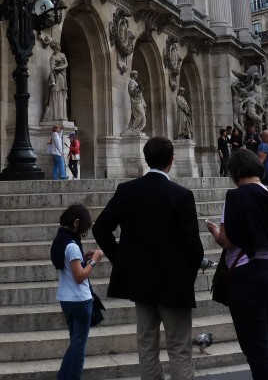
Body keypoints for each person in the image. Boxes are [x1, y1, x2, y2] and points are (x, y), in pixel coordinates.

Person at [93, 137, 204, 380]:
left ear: (146, 158)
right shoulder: (181, 195)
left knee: (146, 347)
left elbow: (100, 228)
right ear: (171, 161)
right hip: (174, 284)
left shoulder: (127, 191)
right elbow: (194, 247)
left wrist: (122, 260)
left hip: (140, 282)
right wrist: (186, 274)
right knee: (179, 349)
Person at [206, 148, 268, 380]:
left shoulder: (235, 196)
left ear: (235, 173)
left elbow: (228, 241)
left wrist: (215, 231)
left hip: (249, 277)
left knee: (258, 352)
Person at [51, 203, 104, 380]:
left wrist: (85, 257)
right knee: (79, 349)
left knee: (75, 344)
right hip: (80, 300)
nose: (83, 232)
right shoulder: (72, 245)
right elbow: (80, 276)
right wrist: (94, 261)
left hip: (66, 299)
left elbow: (69, 265)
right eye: (83, 228)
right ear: (76, 223)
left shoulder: (60, 240)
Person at [43, 42, 69, 121]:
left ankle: (62, 115)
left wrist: (58, 68)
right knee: (56, 95)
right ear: (55, 47)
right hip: (56, 77)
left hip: (62, 77)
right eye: (58, 45)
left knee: (62, 95)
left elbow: (66, 64)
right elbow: (51, 69)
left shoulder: (62, 55)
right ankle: (56, 115)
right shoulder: (53, 57)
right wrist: (53, 81)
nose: (60, 46)